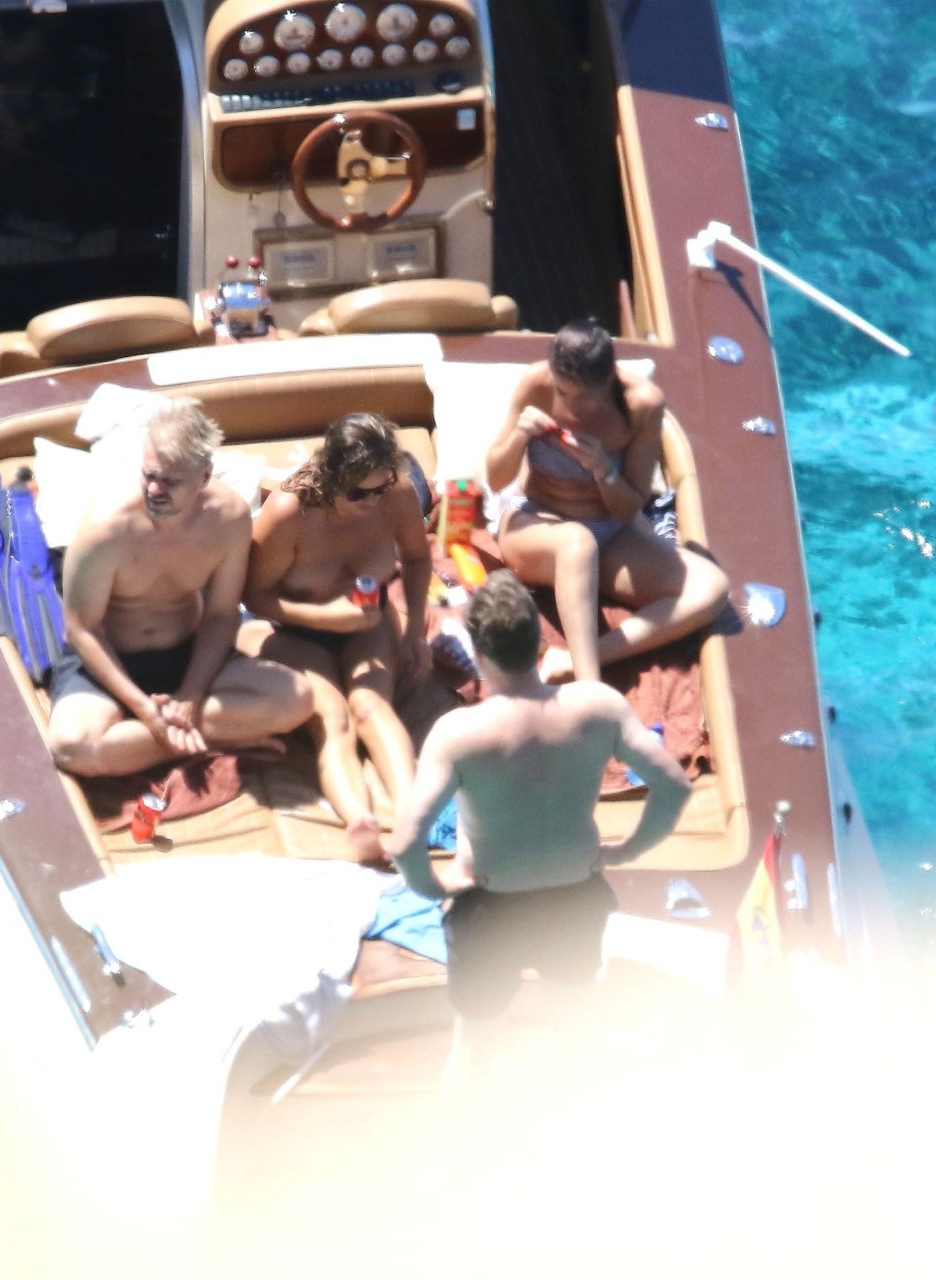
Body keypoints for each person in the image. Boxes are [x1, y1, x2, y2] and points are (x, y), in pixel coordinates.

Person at [347, 572, 691, 1069]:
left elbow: (404, 842)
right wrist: (627, 850)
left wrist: (435, 886)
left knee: (475, 1045)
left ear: (478, 655)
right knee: (576, 1027)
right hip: (573, 896)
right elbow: (674, 787)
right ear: (539, 644)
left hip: (491, 906)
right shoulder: (598, 706)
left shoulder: (459, 733)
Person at [47, 398, 313, 777]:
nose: (155, 489)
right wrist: (145, 710)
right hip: (110, 661)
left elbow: (222, 615)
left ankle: (152, 741)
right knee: (71, 746)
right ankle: (216, 736)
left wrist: (191, 695)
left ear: (204, 477)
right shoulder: (105, 528)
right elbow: (81, 630)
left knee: (296, 700)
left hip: (188, 655)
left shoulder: (229, 518)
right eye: (149, 475)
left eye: (170, 481)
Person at [486, 319, 731, 683]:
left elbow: (629, 509)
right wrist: (520, 436)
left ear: (606, 383)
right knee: (577, 542)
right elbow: (495, 478)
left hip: (610, 530)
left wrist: (603, 469)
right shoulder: (536, 383)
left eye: (580, 396)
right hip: (534, 521)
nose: (568, 405)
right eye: (561, 391)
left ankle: (575, 661)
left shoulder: (642, 404)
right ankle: (591, 685)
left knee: (711, 588)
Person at [240, 412, 434, 827]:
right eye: (360, 493)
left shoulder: (396, 492)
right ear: (332, 479)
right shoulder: (290, 511)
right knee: (334, 719)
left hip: (368, 621)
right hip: (293, 631)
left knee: (371, 707)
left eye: (381, 487)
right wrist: (325, 617)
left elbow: (418, 558)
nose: (374, 501)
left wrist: (416, 631)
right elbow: (253, 595)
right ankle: (360, 822)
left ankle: (413, 819)